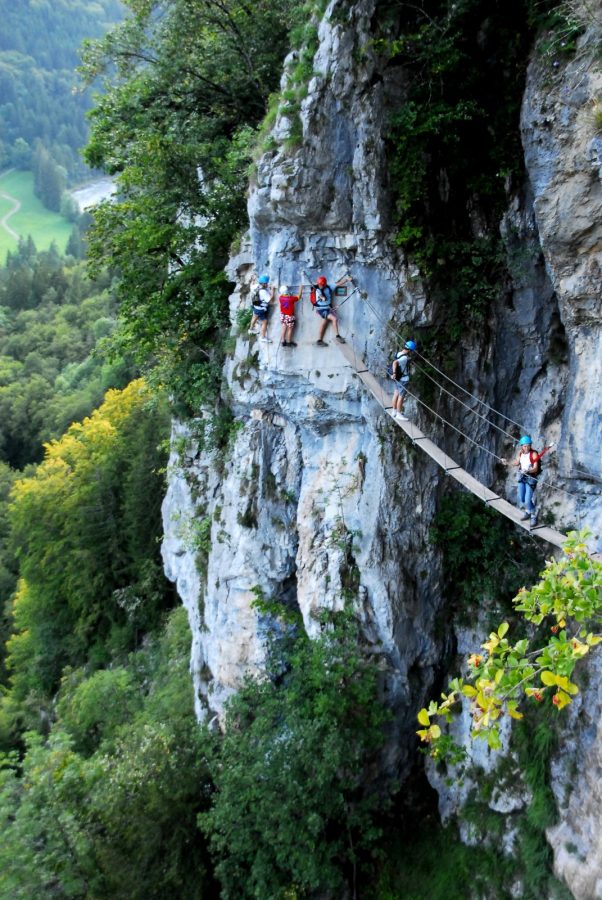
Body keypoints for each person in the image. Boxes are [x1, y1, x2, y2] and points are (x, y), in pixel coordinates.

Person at [311, 274, 351, 346]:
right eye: (319, 284)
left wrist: (347, 280)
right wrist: (322, 298)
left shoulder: (329, 287)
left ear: (325, 284)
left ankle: (319, 340)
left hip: (328, 308)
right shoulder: (317, 290)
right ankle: (337, 336)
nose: (320, 286)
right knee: (334, 319)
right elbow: (320, 295)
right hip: (321, 309)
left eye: (321, 285)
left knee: (323, 324)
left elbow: (338, 284)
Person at [510, 435, 540, 526]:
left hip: (531, 478)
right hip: (522, 477)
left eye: (528, 446)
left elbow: (535, 468)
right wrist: (507, 462)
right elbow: (516, 462)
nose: (526, 448)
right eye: (524, 446)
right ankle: (528, 511)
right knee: (522, 498)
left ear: (530, 445)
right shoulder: (520, 453)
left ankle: (533, 515)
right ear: (521, 446)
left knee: (527, 500)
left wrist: (528, 470)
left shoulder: (533, 454)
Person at [389, 340, 416, 421]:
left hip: (398, 378)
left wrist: (394, 374)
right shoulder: (404, 358)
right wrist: (394, 373)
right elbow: (395, 362)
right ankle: (398, 414)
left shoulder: (399, 353)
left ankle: (394, 411)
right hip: (403, 379)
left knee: (396, 394)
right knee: (401, 397)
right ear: (410, 350)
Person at [249, 274, 274, 342]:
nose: (268, 284)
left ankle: (251, 329)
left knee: (254, 316)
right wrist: (272, 292)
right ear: (265, 283)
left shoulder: (255, 286)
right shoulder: (263, 292)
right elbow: (270, 301)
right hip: (260, 309)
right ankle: (262, 337)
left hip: (255, 306)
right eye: (267, 283)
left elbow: (251, 286)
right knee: (265, 322)